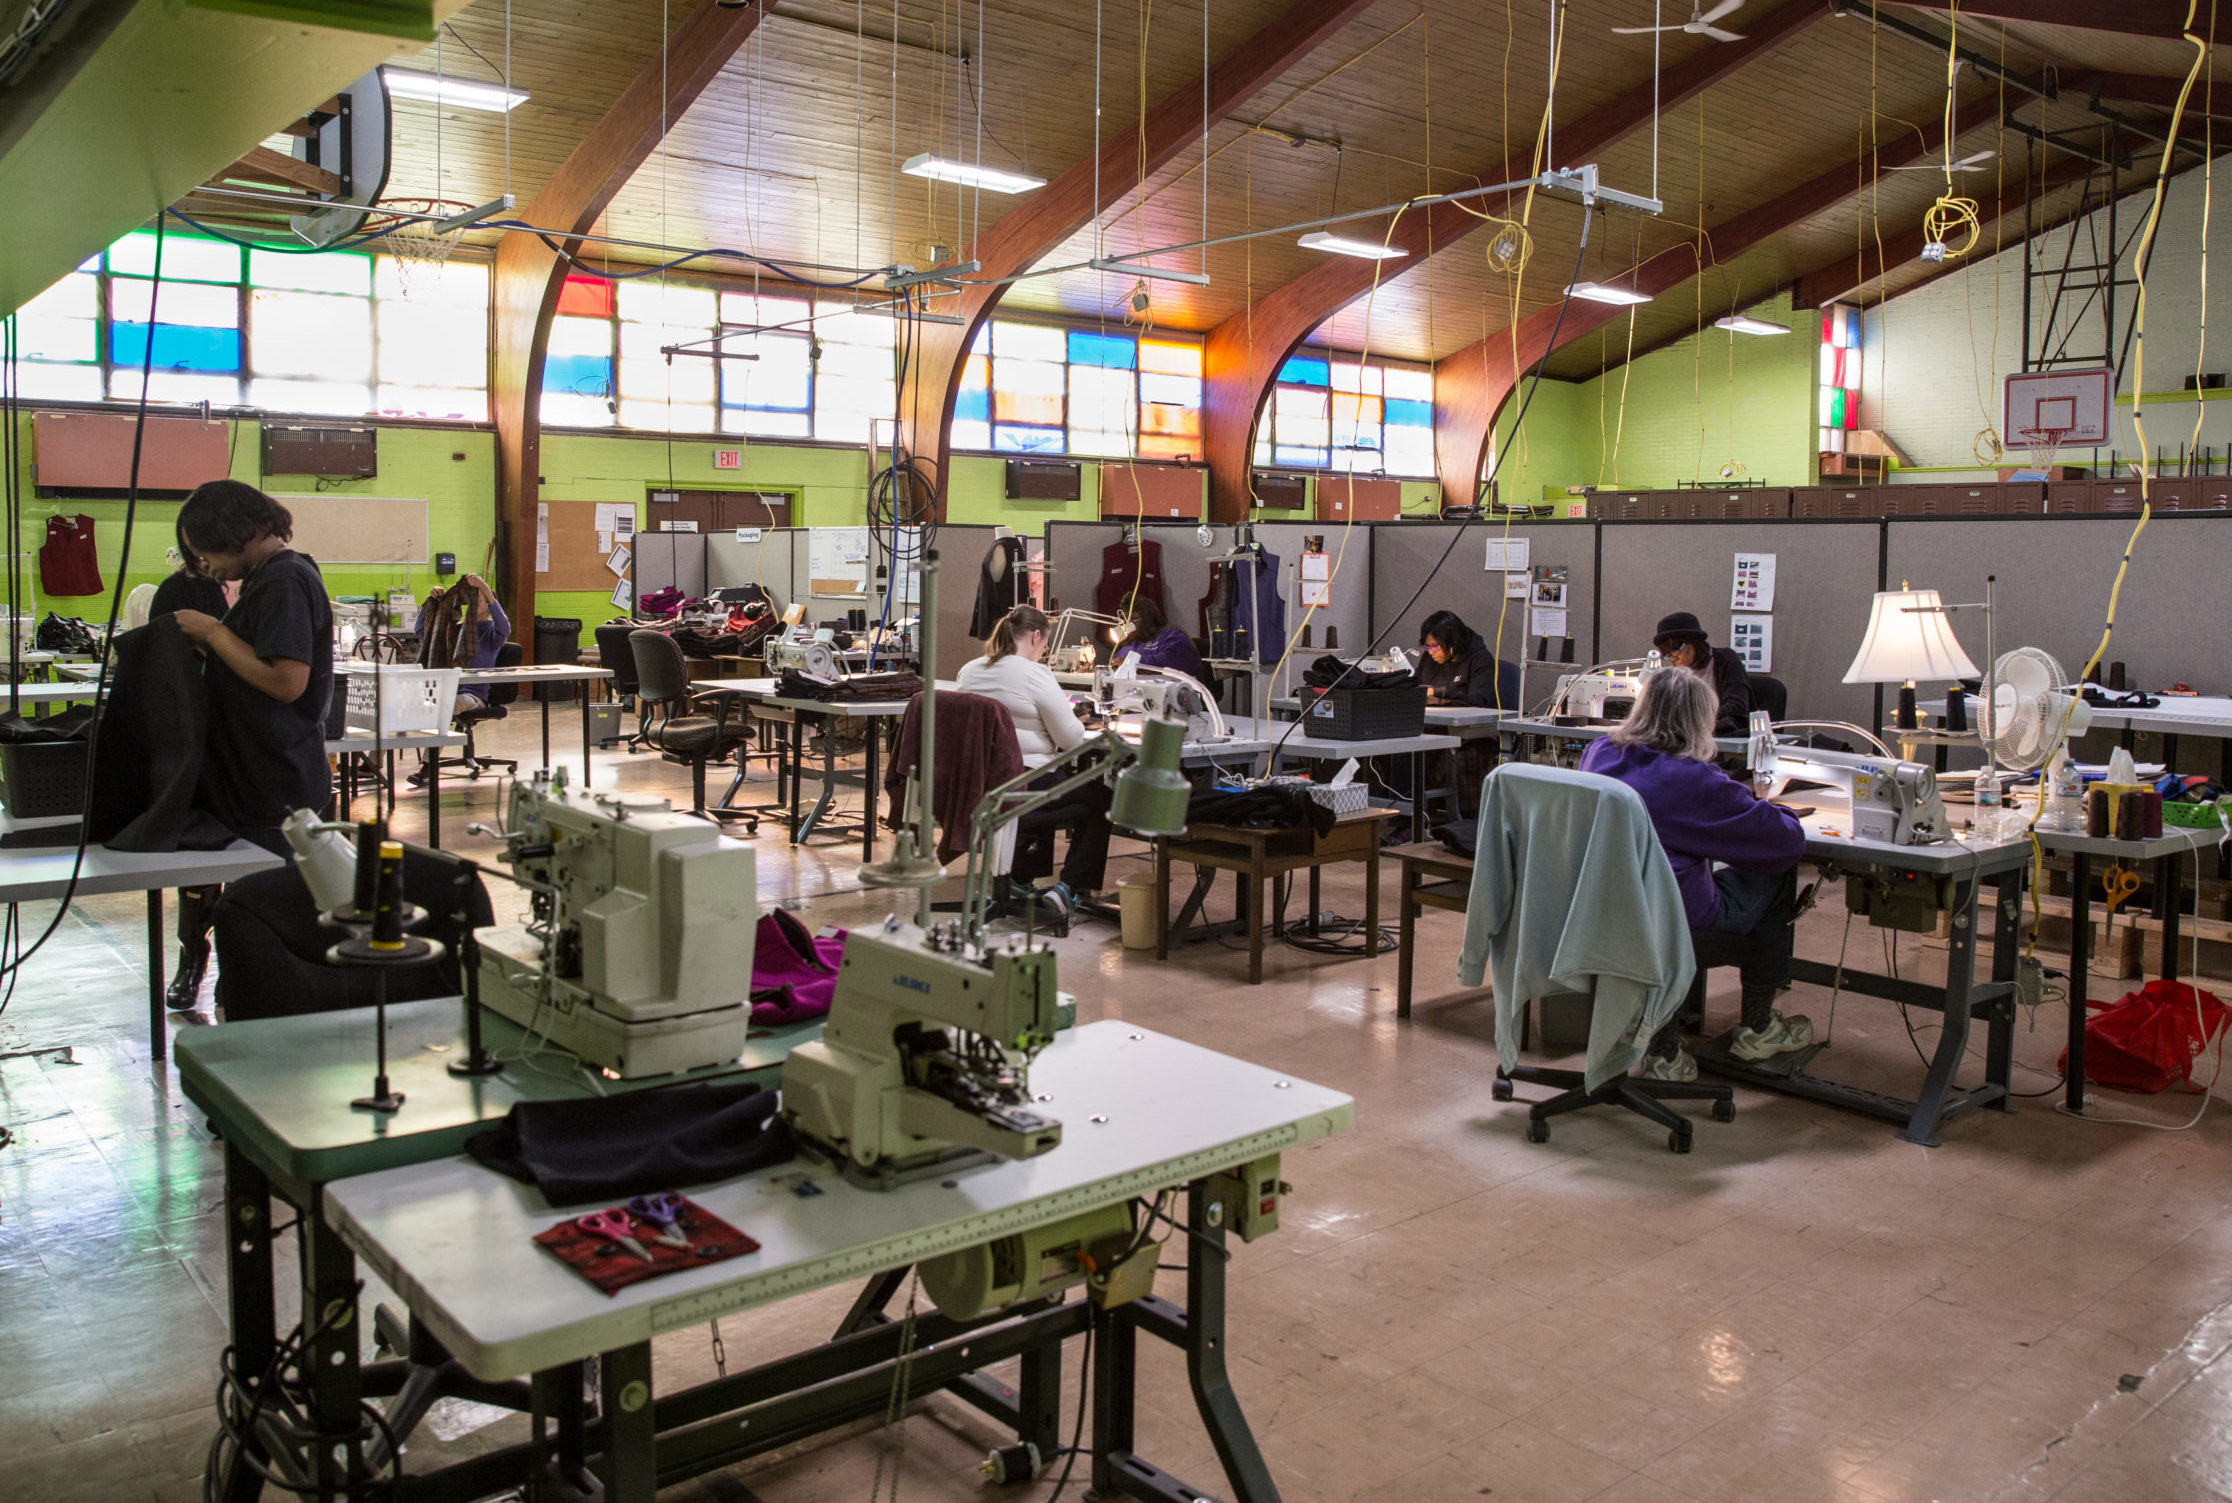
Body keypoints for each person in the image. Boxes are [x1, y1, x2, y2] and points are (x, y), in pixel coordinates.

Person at [1579, 668, 1810, 1078]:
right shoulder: (1693, 780)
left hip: (1603, 908)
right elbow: (1784, 841)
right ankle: (1758, 1027)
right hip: (1675, 918)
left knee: (1681, 880)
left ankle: (1664, 1046)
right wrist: (1778, 809)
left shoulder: (1599, 753)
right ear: (1700, 721)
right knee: (1776, 875)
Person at [169, 481, 334, 860]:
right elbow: (255, 666)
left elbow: (287, 682)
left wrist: (213, 632)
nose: (205, 566)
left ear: (233, 532)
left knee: (271, 906)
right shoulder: (270, 578)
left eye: (202, 551)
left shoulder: (285, 580)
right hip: (258, 784)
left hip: (275, 788)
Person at [956, 605, 1112, 922]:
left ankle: (1016, 881)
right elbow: (1070, 739)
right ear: (1037, 636)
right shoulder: (1035, 674)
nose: (1043, 653)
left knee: (1059, 782)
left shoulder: (969, 671)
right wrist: (1077, 721)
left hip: (976, 790)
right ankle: (1066, 888)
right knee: (1102, 798)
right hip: (1022, 789)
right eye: (1044, 646)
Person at [152, 550, 240, 1011]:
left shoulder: (267, 591)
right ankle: (194, 955)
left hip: (245, 761)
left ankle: (237, 962)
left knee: (248, 872)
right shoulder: (180, 597)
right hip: (195, 758)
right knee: (198, 869)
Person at [407, 573, 511, 787]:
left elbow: (505, 627)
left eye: (479, 599)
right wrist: (432, 604)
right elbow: (422, 633)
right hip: (448, 690)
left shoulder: (492, 633)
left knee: (447, 705)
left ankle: (427, 766)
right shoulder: (456, 630)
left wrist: (485, 589)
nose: (473, 604)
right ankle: (371, 763)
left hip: (474, 696)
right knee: (397, 703)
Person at [1652, 610, 1752, 735]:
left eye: (1675, 651)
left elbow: (1737, 707)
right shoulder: (1677, 674)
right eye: (1667, 655)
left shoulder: (1725, 660)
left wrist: (1691, 717)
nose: (1672, 658)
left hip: (1719, 737)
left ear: (1694, 642)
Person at [1415, 609, 1522, 709]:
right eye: (1427, 646)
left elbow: (1480, 701)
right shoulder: (1429, 658)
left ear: (1453, 642)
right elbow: (1414, 687)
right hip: (1429, 721)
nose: (1430, 652)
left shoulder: (1480, 659)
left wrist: (1438, 693)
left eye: (1435, 646)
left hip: (1461, 725)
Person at [1112, 595, 1205, 682]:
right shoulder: (1132, 643)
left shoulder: (1172, 635)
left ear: (1147, 619)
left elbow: (1169, 661)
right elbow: (1116, 664)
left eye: (1133, 620)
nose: (1127, 626)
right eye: (1125, 621)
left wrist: (1133, 664)